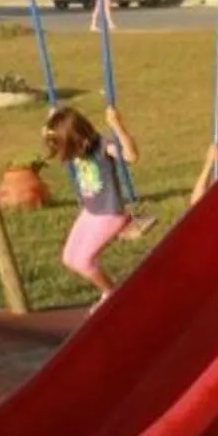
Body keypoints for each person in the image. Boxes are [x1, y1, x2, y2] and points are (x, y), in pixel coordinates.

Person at [43, 103, 141, 306]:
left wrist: (117, 125)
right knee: (69, 258)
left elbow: (132, 156)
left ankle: (111, 294)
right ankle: (110, 292)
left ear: (74, 138)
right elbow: (51, 132)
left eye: (60, 143)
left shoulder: (103, 146)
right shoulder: (76, 148)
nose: (58, 149)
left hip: (109, 214)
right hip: (90, 212)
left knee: (83, 262)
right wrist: (53, 119)